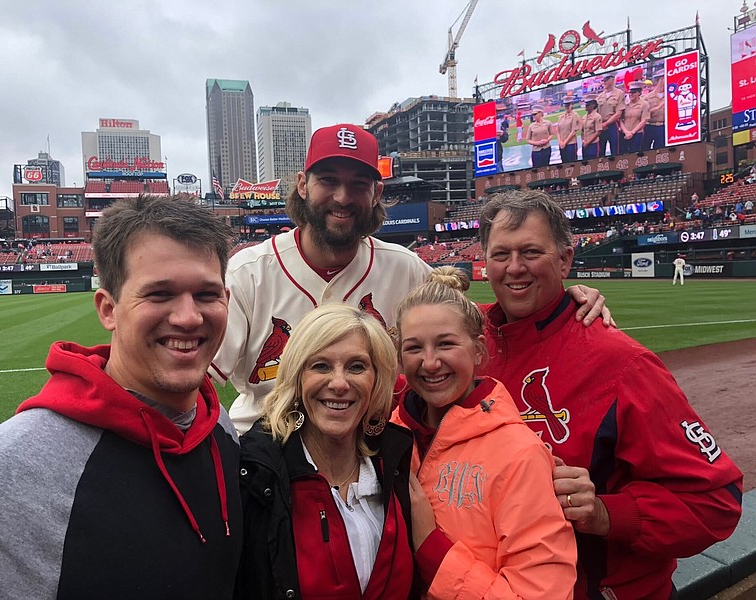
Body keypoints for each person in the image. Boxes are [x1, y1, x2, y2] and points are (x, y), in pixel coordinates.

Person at [211, 123, 610, 434]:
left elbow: (470, 331)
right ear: (303, 185)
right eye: (328, 180)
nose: (342, 197)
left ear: (377, 192)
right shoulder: (248, 274)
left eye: (358, 184)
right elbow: (197, 382)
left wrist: (561, 300)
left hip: (375, 453)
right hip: (269, 452)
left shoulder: (406, 269)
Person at [0, 195, 242, 598]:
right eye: (159, 294)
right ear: (108, 309)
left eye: (207, 295)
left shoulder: (221, 428)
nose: (189, 317)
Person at [476, 190, 743, 599]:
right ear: (484, 262)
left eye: (531, 251)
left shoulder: (623, 364)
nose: (514, 268)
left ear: (565, 259)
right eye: (500, 254)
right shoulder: (463, 345)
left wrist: (604, 513)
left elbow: (715, 501)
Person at [392, 267, 577, 599]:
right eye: (414, 348)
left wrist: (430, 546)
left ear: (478, 350)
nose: (430, 362)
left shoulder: (520, 454)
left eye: (446, 344)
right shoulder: (387, 433)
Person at [237, 303, 416, 599]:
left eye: (356, 367)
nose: (339, 383)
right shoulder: (254, 478)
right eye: (320, 366)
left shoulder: (397, 466)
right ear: (297, 377)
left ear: (377, 379)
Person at [597, 74, 625, 156]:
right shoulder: (599, 96)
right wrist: (601, 124)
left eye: (606, 79)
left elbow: (618, 113)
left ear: (612, 80)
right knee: (601, 150)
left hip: (613, 124)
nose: (604, 82)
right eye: (604, 80)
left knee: (615, 149)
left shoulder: (619, 94)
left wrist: (606, 123)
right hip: (601, 125)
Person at [619, 82, 650, 155]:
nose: (631, 94)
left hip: (637, 134)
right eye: (630, 92)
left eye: (633, 92)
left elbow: (643, 120)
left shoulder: (644, 104)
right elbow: (620, 119)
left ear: (639, 93)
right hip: (624, 133)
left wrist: (632, 132)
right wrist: (626, 132)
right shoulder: (625, 104)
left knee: (635, 155)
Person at [642, 76, 666, 150]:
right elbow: (642, 113)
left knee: (660, 150)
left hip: (663, 126)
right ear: (661, 79)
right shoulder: (647, 97)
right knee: (644, 148)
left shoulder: (670, 96)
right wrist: (657, 108)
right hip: (649, 126)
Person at [556, 98, 581, 163]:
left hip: (571, 144)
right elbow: (558, 131)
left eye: (568, 105)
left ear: (571, 105)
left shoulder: (575, 116)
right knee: (564, 163)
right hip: (562, 144)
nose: (566, 107)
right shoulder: (561, 117)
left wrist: (565, 143)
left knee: (572, 163)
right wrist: (560, 142)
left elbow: (573, 131)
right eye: (565, 105)